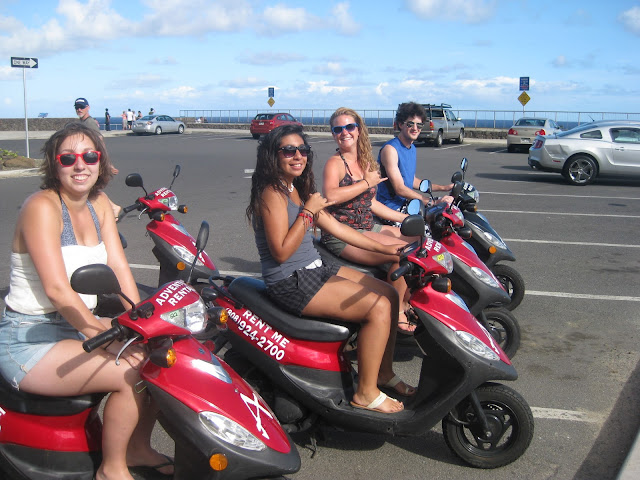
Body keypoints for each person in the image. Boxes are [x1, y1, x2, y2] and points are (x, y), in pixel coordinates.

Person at [0, 123, 172, 480]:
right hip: (32, 337)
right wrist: (104, 338)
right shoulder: (41, 207)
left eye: (89, 156)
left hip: (78, 326)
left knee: (162, 354)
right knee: (129, 371)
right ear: (54, 163)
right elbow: (57, 289)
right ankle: (112, 469)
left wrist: (142, 321)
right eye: (68, 158)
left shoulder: (99, 204)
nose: (80, 165)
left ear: (100, 161)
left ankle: (138, 447)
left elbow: (119, 267)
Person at [247, 124, 416, 413]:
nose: (298, 156)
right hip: (291, 280)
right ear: (273, 156)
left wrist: (389, 249)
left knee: (389, 294)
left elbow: (338, 229)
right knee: (377, 308)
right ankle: (366, 393)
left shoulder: (297, 188)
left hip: (315, 267)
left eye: (303, 150)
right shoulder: (271, 193)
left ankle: (383, 373)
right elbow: (281, 253)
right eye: (289, 150)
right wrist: (308, 211)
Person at [322, 107, 417, 333]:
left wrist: (408, 219)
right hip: (343, 232)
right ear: (333, 134)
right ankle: (398, 312)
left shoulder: (364, 161)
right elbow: (331, 195)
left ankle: (409, 298)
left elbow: (371, 203)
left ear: (358, 130)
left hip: (366, 225)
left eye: (349, 126)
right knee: (402, 255)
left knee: (419, 241)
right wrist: (366, 183)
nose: (344, 132)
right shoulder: (335, 163)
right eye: (338, 129)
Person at [377, 102, 453, 212]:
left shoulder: (411, 148)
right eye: (410, 124)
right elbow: (399, 188)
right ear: (400, 124)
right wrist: (431, 202)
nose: (415, 128)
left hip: (405, 202)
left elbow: (411, 180)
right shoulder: (390, 150)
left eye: (419, 125)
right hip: (390, 207)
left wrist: (444, 188)